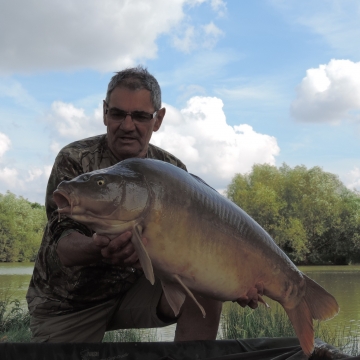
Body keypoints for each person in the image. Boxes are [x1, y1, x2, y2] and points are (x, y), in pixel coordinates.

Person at [26, 66, 223, 343]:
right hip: (68, 304)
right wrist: (98, 248)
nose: (127, 126)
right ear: (105, 112)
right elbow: (64, 247)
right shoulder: (74, 160)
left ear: (158, 119)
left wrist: (236, 282)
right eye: (118, 113)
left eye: (141, 116)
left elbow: (191, 248)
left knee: (207, 287)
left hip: (137, 291)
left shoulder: (172, 170)